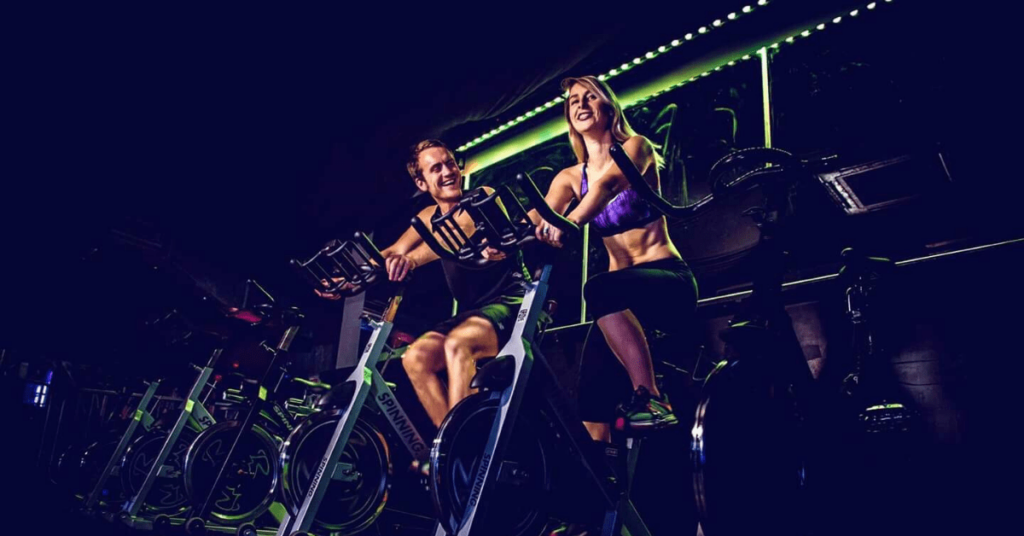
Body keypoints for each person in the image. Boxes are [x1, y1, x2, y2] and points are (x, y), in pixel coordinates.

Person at [318, 139, 531, 433]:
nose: (448, 172)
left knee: (458, 345)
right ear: (422, 183)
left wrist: (412, 260)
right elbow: (392, 251)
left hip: (514, 302)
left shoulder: (480, 197)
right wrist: (349, 278)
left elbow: (453, 237)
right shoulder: (427, 217)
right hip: (474, 313)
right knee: (416, 358)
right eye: (436, 168)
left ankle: (466, 441)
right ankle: (450, 444)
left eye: (450, 163)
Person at [533, 76, 699, 443]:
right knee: (591, 402)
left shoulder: (636, 148)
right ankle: (603, 476)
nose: (581, 104)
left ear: (609, 107)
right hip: (617, 305)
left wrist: (570, 222)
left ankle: (653, 398)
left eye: (590, 97)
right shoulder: (570, 177)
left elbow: (607, 186)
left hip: (666, 279)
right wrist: (495, 240)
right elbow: (538, 216)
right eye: (574, 100)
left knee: (599, 288)